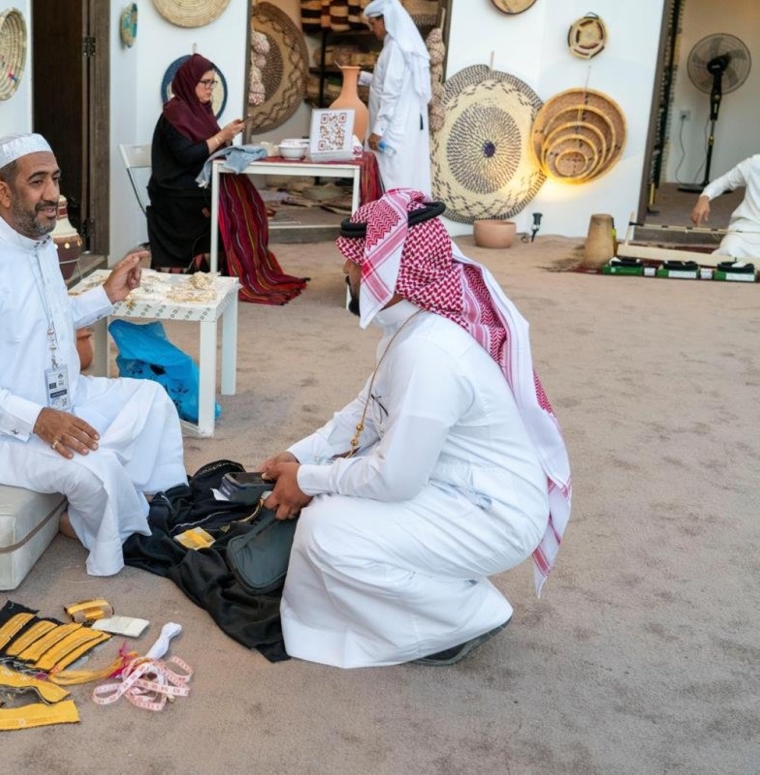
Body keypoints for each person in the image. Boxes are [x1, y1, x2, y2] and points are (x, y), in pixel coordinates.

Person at [257, 188, 572, 668]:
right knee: (329, 506)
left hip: (493, 513)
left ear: (389, 273)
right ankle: (428, 591)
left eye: (355, 263)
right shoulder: (410, 329)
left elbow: (395, 478)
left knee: (329, 533)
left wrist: (308, 481)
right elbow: (365, 410)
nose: (346, 272)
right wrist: (302, 457)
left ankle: (465, 615)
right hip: (455, 488)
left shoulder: (432, 352)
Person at [0, 132, 188, 577]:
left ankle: (153, 502)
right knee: (95, 472)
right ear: (3, 191)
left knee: (152, 400)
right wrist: (39, 420)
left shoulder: (37, 241)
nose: (53, 194)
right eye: (37, 181)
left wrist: (106, 295)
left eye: (55, 179)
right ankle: (108, 527)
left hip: (56, 397)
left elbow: (50, 319)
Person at [147, 53, 246, 273]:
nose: (210, 88)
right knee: (224, 206)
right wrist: (221, 136)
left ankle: (218, 272)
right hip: (173, 190)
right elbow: (187, 156)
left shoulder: (201, 112)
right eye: (205, 82)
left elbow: (206, 148)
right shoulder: (175, 113)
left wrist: (226, 137)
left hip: (193, 186)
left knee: (238, 201)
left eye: (213, 82)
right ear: (190, 82)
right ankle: (201, 272)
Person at [356, 0, 432, 195]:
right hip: (402, 126)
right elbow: (395, 83)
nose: (373, 30)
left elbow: (391, 92)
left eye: (374, 24)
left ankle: (392, 223)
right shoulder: (401, 46)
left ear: (386, 20)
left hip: (392, 130)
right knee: (403, 180)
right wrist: (363, 78)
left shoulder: (395, 49)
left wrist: (378, 130)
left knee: (392, 183)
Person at [690, 153, 760, 259]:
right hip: (747, 228)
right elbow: (723, 182)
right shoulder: (755, 163)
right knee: (729, 250)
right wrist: (704, 199)